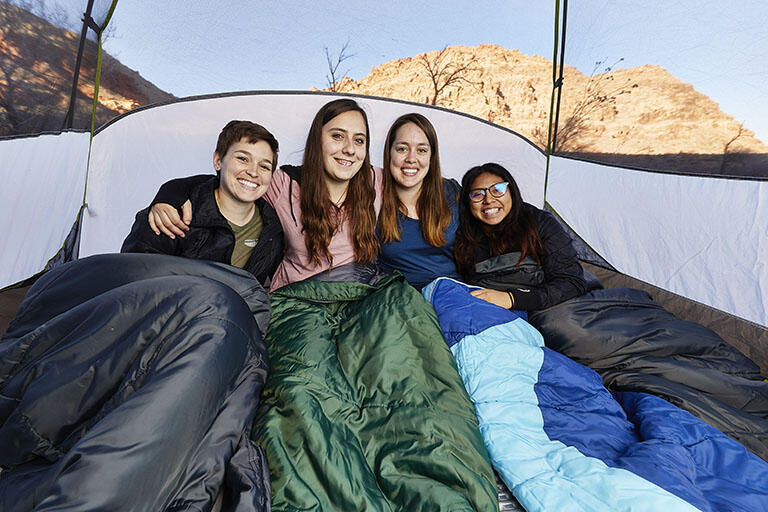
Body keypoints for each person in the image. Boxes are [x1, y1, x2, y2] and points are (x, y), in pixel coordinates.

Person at [149, 99, 381, 290]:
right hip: (298, 300)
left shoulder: (376, 182)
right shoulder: (284, 185)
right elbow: (235, 181)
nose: (349, 148)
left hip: (356, 295)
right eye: (337, 136)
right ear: (317, 140)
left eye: (359, 140)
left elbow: (414, 174)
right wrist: (170, 194)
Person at [121, 120, 283, 287]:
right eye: (242, 159)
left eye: (264, 166)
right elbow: (130, 279)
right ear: (218, 161)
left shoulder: (273, 228)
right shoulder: (171, 215)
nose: (253, 172)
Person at [454, 162, 588, 311]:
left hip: (546, 305)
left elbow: (571, 282)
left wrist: (512, 299)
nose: (489, 200)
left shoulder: (540, 222)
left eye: (498, 190)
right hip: (492, 311)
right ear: (467, 202)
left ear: (512, 191)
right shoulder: (462, 235)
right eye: (478, 194)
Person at [377, 113, 461, 289]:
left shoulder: (452, 192)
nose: (411, 159)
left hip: (453, 294)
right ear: (389, 153)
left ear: (431, 157)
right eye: (402, 149)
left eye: (421, 150)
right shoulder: (374, 198)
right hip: (402, 299)